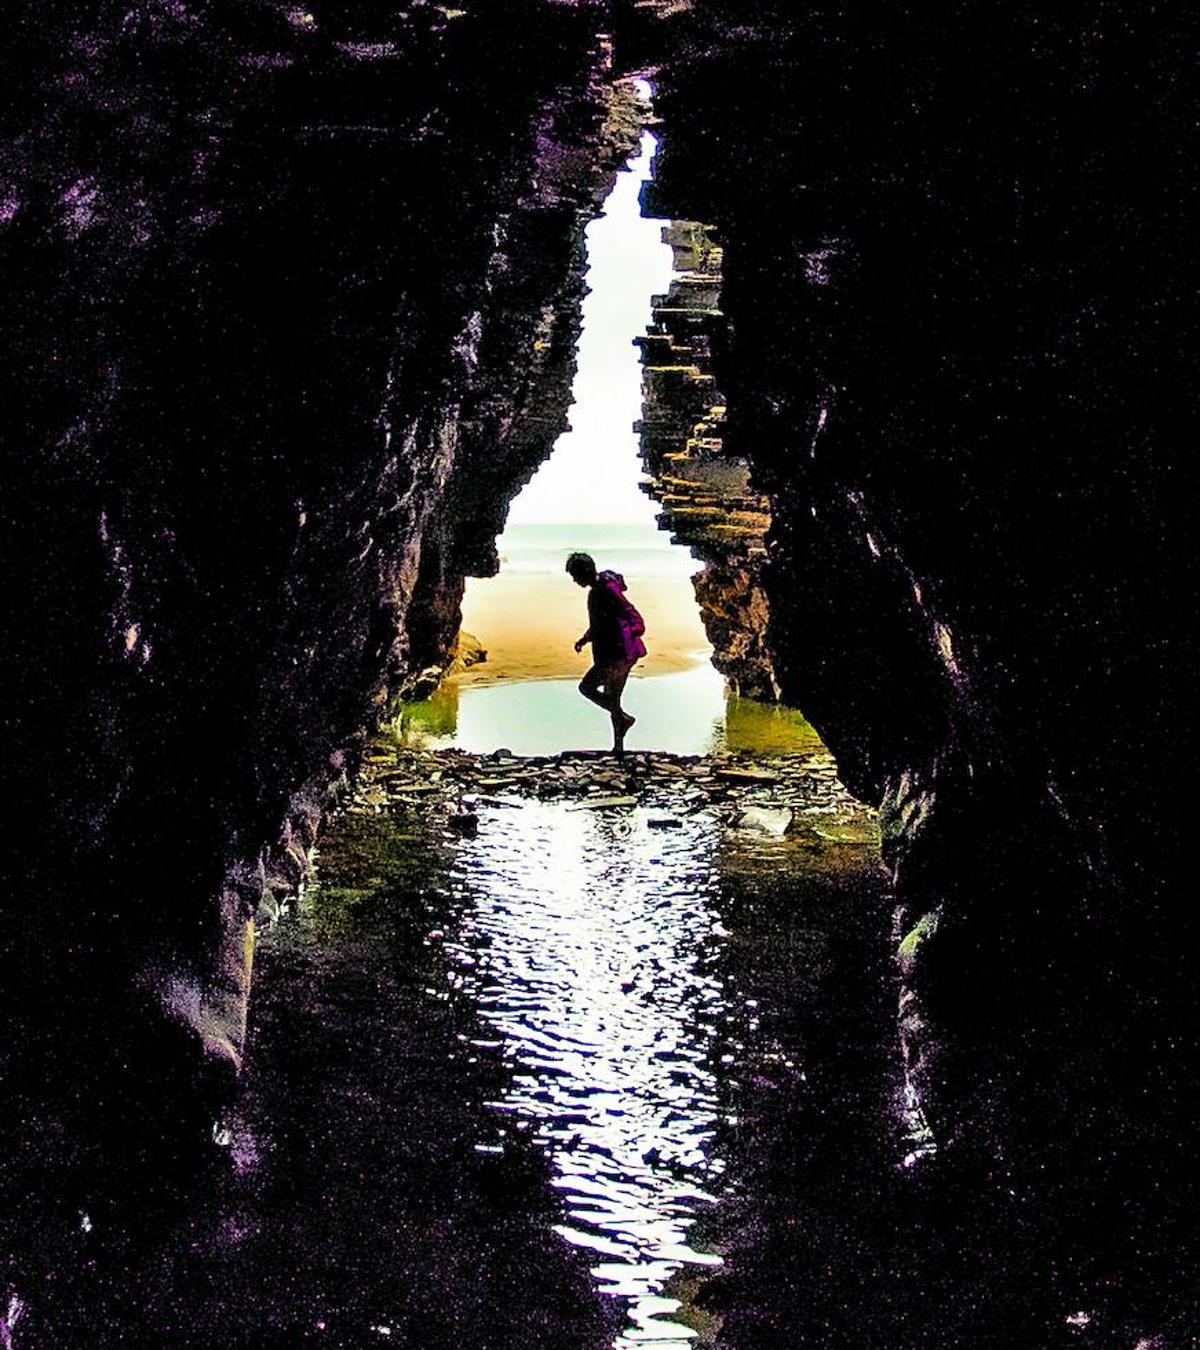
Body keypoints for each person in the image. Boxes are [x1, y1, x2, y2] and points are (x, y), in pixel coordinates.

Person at [565, 551, 646, 754]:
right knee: (612, 695)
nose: (575, 581)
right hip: (619, 652)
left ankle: (622, 718)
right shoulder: (598, 589)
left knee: (586, 688)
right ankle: (618, 746)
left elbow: (629, 611)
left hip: (618, 653)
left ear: (584, 573)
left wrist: (635, 629)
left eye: (575, 576)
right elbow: (600, 622)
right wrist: (585, 639)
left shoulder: (607, 589)